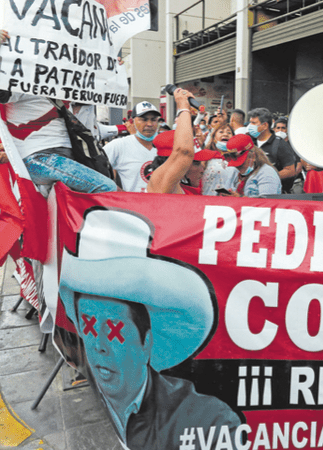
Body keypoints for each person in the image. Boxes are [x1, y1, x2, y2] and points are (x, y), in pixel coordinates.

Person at [59, 209, 242, 449]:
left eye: (115, 330)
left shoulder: (209, 422)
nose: (99, 346)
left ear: (146, 343)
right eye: (89, 326)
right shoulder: (89, 396)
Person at [0, 31, 117, 194]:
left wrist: (111, 69)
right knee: (107, 187)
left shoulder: (64, 83)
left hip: (64, 157)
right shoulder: (23, 78)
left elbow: (97, 89)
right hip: (38, 158)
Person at [145, 89, 196, 194]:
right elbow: (184, 152)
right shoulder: (159, 180)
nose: (202, 168)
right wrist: (183, 107)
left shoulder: (177, 184)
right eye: (195, 162)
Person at [103, 102, 162, 192]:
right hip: (132, 201)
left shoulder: (167, 144)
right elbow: (96, 172)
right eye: (144, 119)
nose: (149, 124)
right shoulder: (119, 145)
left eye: (153, 119)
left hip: (163, 200)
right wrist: (117, 192)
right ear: (133, 121)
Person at [246, 108, 298, 193]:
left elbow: (290, 171)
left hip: (273, 193)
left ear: (265, 125)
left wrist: (267, 178)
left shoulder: (280, 144)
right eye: (250, 122)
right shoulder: (250, 143)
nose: (250, 126)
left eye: (254, 123)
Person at [200, 123, 238, 196]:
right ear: (214, 138)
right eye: (221, 132)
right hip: (206, 199)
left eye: (229, 132)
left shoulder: (238, 159)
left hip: (229, 201)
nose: (225, 134)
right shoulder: (205, 156)